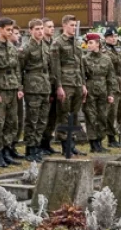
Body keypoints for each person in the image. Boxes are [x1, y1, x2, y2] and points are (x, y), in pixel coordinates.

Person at [51, 15, 87, 157]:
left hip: (77, 82)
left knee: (74, 115)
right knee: (64, 115)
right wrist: (58, 86)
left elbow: (80, 65)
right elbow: (55, 66)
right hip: (65, 83)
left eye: (75, 25)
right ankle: (65, 145)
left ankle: (72, 144)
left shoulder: (76, 43)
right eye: (71, 25)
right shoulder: (58, 43)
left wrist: (83, 84)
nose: (74, 28)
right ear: (64, 25)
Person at [0, 18, 23, 168]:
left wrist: (19, 87)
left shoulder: (11, 46)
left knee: (12, 122)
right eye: (8, 30)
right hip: (1, 88)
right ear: (0, 29)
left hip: (12, 87)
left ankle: (7, 149)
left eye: (11, 30)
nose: (10, 33)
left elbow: (17, 68)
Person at [20, 19, 50, 162]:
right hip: (32, 86)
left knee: (42, 119)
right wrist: (21, 87)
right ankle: (30, 148)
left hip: (44, 86)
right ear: (30, 30)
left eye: (41, 28)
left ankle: (37, 146)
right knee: (32, 119)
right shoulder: (26, 48)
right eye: (36, 29)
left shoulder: (45, 46)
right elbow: (20, 68)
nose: (40, 31)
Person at [83, 33, 114, 154]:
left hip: (103, 91)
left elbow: (111, 77)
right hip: (90, 91)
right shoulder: (85, 59)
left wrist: (111, 93)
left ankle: (100, 141)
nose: (88, 45)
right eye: (88, 43)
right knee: (91, 116)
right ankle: (93, 143)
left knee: (102, 116)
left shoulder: (106, 59)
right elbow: (82, 76)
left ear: (97, 43)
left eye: (91, 43)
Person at [39, 18, 59, 155]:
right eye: (49, 26)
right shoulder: (41, 45)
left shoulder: (54, 44)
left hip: (54, 84)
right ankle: (40, 143)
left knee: (53, 116)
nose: (52, 29)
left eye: (53, 26)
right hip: (42, 85)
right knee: (42, 117)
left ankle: (47, 142)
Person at [104, 28, 121, 147]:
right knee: (112, 112)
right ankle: (111, 138)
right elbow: (117, 60)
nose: (114, 38)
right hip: (112, 84)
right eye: (111, 36)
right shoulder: (105, 50)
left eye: (116, 36)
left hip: (120, 83)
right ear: (106, 37)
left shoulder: (115, 49)